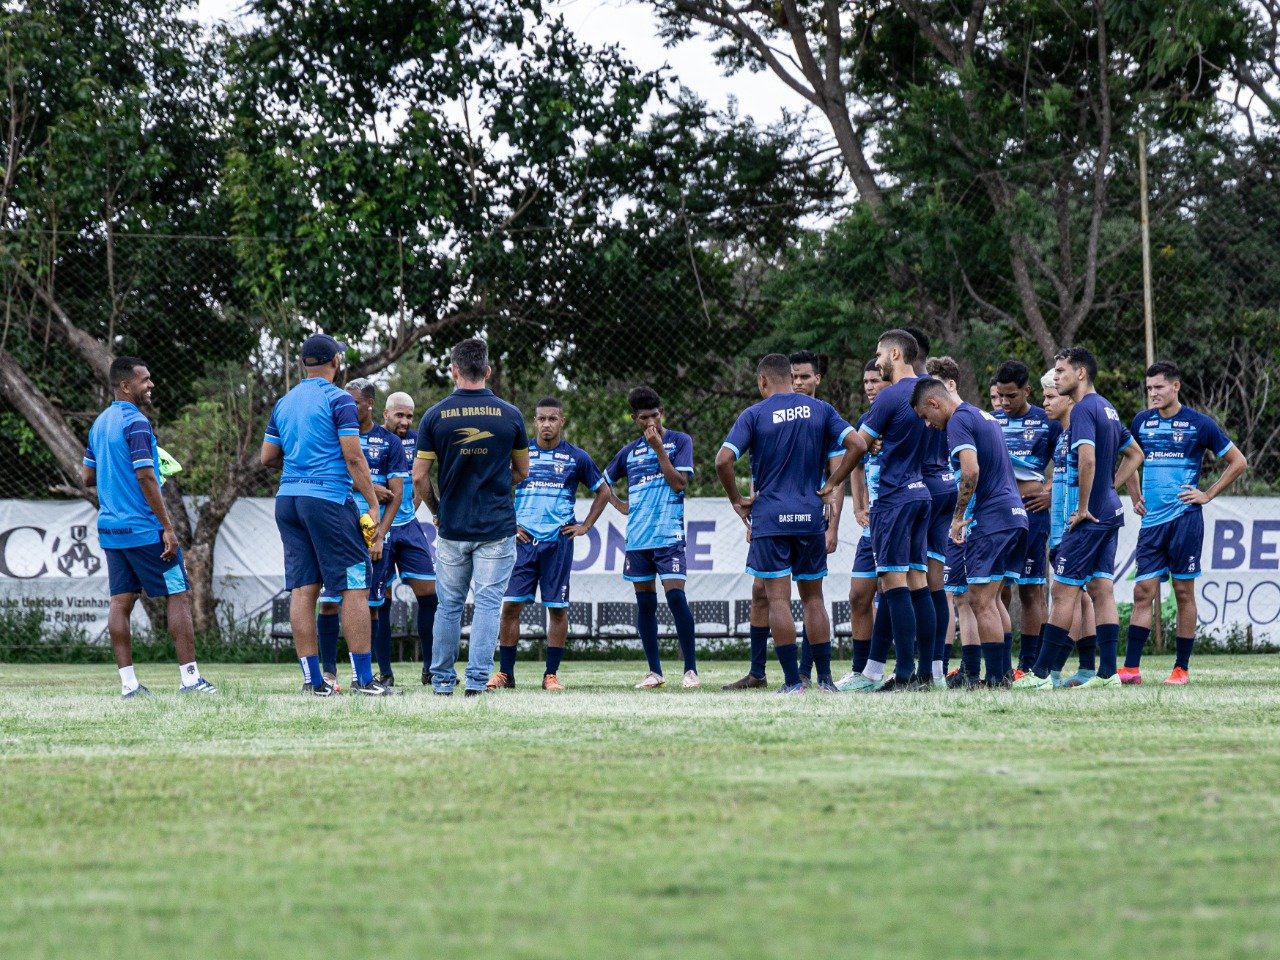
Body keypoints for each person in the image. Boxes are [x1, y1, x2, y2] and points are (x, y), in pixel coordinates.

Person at [716, 354, 864, 694]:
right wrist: (832, 483)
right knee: (814, 599)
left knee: (778, 601)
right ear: (790, 377)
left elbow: (723, 459)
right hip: (810, 516)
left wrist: (737, 500)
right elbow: (857, 444)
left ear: (763, 381)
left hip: (770, 519)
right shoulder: (821, 410)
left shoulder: (754, 414)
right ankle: (825, 680)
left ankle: (791, 683)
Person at [260, 333, 391, 696]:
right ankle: (364, 680)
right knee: (353, 586)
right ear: (336, 361)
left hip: (287, 499)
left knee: (304, 589)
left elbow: (267, 458)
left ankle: (313, 681)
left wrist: (304, 469)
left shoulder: (284, 403)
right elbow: (353, 457)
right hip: (328, 502)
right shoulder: (340, 400)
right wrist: (372, 501)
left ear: (304, 364)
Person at [83, 357, 216, 697]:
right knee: (178, 595)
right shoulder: (137, 422)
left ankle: (129, 686)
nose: (151, 385)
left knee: (120, 603)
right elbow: (145, 476)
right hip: (144, 529)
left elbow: (87, 477)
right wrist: (167, 527)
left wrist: (118, 474)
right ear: (126, 386)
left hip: (112, 530)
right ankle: (190, 680)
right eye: (145, 380)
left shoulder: (99, 424)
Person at [1013, 347, 1143, 690]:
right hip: (1108, 511)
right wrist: (1108, 489)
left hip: (1089, 516)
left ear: (1080, 373)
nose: (1056, 378)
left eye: (1060, 372)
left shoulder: (1085, 408)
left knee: (1064, 589)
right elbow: (1135, 454)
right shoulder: (1108, 408)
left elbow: (1087, 460)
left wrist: (1085, 505)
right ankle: (1107, 673)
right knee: (1101, 588)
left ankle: (1041, 674)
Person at [413, 337, 528, 696]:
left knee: (448, 606)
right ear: (488, 371)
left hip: (453, 527)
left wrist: (437, 510)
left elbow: (418, 476)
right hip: (496, 526)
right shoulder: (510, 415)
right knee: (488, 605)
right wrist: (495, 484)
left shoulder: (435, 416)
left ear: (454, 371)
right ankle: (477, 683)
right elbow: (522, 470)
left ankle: (443, 682)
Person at [1121, 361, 1247, 685]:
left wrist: (1207, 494)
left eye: (1159, 387)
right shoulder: (1141, 422)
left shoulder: (1199, 424)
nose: (1153, 394)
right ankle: (1131, 670)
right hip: (1152, 524)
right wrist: (1134, 495)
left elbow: (1238, 462)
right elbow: (1130, 460)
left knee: (1183, 591)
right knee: (1142, 591)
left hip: (1185, 520)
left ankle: (1181, 669)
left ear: (1175, 386)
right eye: (1149, 388)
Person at [490, 397, 612, 691]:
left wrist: (585, 526)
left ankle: (551, 675)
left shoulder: (576, 458)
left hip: (557, 542)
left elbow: (604, 492)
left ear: (562, 421)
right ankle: (506, 674)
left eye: (552, 419)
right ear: (535, 422)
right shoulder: (520, 455)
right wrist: (510, 524)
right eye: (542, 419)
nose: (547, 424)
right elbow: (495, 489)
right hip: (522, 541)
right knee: (510, 607)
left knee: (557, 608)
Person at [913, 378, 1028, 687]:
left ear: (935, 403)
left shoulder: (958, 421)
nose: (928, 424)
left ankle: (993, 678)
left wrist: (958, 516)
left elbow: (971, 470)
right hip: (1014, 514)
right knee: (994, 599)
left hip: (991, 518)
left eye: (926, 416)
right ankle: (1003, 674)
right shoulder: (983, 415)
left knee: (980, 601)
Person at [842, 329, 937, 693]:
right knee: (918, 582)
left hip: (896, 496)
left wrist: (833, 480)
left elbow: (857, 446)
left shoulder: (892, 396)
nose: (876, 362)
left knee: (893, 583)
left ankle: (906, 672)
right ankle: (925, 673)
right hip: (927, 492)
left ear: (896, 354)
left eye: (879, 355)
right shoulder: (934, 390)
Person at [604, 387, 699, 689]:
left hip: (668, 536)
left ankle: (690, 671)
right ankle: (654, 672)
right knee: (645, 605)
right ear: (634, 418)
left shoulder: (679, 442)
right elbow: (602, 482)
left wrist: (659, 449)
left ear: (662, 413)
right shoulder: (629, 452)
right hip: (638, 540)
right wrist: (621, 505)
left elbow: (679, 484)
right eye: (644, 418)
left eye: (655, 416)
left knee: (675, 598)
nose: (650, 424)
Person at [315, 379, 405, 688]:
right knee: (327, 601)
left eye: (354, 402)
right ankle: (328, 672)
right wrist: (365, 487)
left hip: (371, 535)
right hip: (334, 525)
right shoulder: (335, 435)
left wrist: (379, 536)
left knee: (369, 603)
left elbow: (396, 495)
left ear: (368, 405)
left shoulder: (389, 443)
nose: (347, 408)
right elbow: (328, 473)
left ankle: (368, 675)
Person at [990, 360, 1059, 679]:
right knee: (995, 588)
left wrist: (1049, 490)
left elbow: (1070, 461)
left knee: (1031, 589)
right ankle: (1000, 663)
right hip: (998, 517)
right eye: (1000, 396)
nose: (1004, 403)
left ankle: (1029, 665)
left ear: (1027, 391)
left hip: (1033, 515)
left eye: (1011, 396)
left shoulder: (1047, 421)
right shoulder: (991, 422)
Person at [906, 328, 957, 688]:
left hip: (919, 488)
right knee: (936, 582)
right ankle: (937, 669)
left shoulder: (916, 392)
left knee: (906, 579)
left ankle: (914, 670)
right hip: (946, 485)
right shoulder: (944, 393)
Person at [378, 391, 439, 686]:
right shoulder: (372, 439)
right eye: (399, 415)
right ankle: (385, 673)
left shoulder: (418, 441)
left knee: (430, 595)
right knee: (380, 602)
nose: (404, 421)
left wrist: (420, 506)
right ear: (385, 415)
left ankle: (430, 668)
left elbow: (422, 478)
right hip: (378, 528)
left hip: (409, 526)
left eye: (409, 416)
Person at [1042, 373, 1098, 688]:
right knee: (1082, 598)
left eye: (1051, 396)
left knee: (1069, 596)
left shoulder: (1083, 427)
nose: (1045, 403)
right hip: (1060, 527)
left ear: (1068, 398)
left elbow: (1130, 451)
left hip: (1077, 528)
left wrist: (1102, 497)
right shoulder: (1062, 434)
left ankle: (1051, 669)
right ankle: (1088, 668)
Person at [833, 360, 885, 688]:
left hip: (899, 518)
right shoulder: (865, 422)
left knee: (903, 595)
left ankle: (919, 668)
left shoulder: (907, 415)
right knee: (858, 594)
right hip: (872, 523)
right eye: (865, 381)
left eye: (875, 381)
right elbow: (855, 464)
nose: (868, 386)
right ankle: (860, 670)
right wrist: (858, 506)